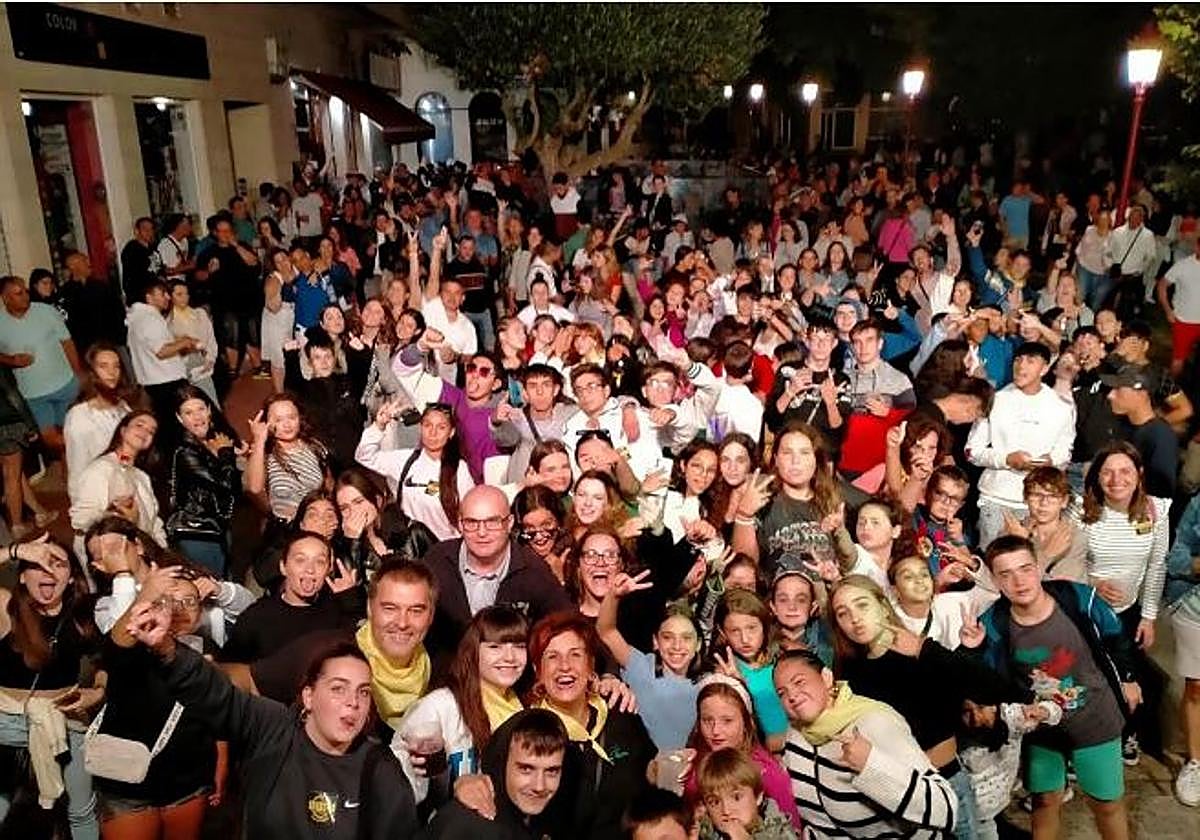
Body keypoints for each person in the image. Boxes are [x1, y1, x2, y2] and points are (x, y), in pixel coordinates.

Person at [124, 605, 420, 840]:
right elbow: (218, 697)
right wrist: (167, 650)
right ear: (308, 696)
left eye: (363, 692)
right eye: (338, 688)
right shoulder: (274, 730)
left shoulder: (380, 770)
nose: (353, 702)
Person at [964, 536, 1141, 840]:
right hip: (1041, 731)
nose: (1019, 581)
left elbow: (1116, 636)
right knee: (1044, 801)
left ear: (1039, 567)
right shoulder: (993, 624)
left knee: (1107, 803)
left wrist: (1127, 677)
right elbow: (983, 682)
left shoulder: (1077, 598)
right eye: (1005, 574)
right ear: (994, 580)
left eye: (1025, 569)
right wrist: (972, 650)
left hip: (1095, 721)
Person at [828, 575, 1017, 839]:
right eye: (842, 613)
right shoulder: (851, 672)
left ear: (883, 606)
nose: (855, 618)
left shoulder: (920, 653)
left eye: (862, 605)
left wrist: (924, 649)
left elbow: (995, 689)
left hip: (949, 781)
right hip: (899, 791)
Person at [773, 649, 958, 838]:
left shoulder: (874, 722)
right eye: (782, 692)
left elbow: (945, 808)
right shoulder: (795, 736)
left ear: (827, 678)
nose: (792, 696)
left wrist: (871, 765)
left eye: (799, 682)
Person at [0, 536, 100, 840]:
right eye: (37, 564)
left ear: (71, 577)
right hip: (7, 720)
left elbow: (106, 665)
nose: (47, 571)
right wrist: (15, 551)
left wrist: (97, 691)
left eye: (57, 563)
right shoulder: (7, 609)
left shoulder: (84, 616)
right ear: (22, 576)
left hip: (66, 719)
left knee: (82, 810)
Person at [393, 605, 527, 806]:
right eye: (495, 647)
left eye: (519, 646)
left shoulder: (523, 708)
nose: (510, 657)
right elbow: (394, 785)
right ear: (473, 652)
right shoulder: (439, 706)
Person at [419, 486, 573, 661]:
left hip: (511, 681)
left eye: (492, 522)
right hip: (448, 680)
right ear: (460, 525)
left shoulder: (533, 571)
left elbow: (570, 624)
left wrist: (608, 673)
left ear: (509, 524)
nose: (482, 532)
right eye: (472, 522)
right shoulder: (437, 561)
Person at [219, 532, 364, 700]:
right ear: (283, 566)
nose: (310, 569)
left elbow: (359, 650)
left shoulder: (339, 607)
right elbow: (229, 672)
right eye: (300, 560)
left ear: (329, 569)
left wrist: (351, 601)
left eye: (320, 561)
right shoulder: (257, 616)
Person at [967, 342, 1075, 549]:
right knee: (993, 561)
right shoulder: (995, 400)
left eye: (1030, 361)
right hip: (996, 499)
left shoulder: (1061, 407)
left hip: (1039, 503)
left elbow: (1065, 451)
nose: (1021, 366)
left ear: (1044, 368)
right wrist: (1006, 459)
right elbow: (972, 451)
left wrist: (1051, 461)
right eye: (1018, 359)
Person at [421, 709, 573, 840]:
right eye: (526, 769)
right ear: (501, 763)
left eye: (552, 771)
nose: (540, 786)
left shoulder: (559, 817)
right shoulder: (465, 826)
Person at [356, 402, 473, 541]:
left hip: (445, 549)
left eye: (441, 427)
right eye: (427, 425)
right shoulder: (405, 460)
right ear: (420, 427)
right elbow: (364, 456)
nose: (433, 433)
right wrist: (379, 426)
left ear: (451, 432)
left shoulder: (460, 470)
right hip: (410, 549)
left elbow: (470, 515)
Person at [0, 275, 83, 454]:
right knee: (51, 439)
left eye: (25, 291)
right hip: (33, 394)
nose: (25, 296)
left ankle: (69, 472)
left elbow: (67, 342)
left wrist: (78, 375)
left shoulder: (46, 311)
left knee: (68, 431)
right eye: (18, 294)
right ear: (5, 298)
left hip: (65, 384)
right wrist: (11, 360)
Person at [168, 385, 243, 575]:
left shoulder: (213, 443)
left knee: (224, 584)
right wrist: (226, 454)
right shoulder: (185, 452)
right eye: (188, 412)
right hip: (197, 534)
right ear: (179, 418)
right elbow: (226, 485)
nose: (197, 417)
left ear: (209, 410)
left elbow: (235, 489)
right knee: (212, 587)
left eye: (201, 409)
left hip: (217, 528)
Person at [1163, 493, 1200, 807]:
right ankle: (1196, 762)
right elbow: (1174, 559)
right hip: (1194, 606)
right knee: (1197, 687)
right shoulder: (1198, 503)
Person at [244, 392, 330, 523]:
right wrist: (259, 440)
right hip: (285, 529)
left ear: (300, 418)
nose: (287, 424)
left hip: (316, 525)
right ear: (267, 423)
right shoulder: (264, 454)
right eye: (278, 420)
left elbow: (328, 485)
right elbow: (254, 488)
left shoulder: (315, 447)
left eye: (291, 417)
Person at [1102, 366, 1178, 498]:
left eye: (1118, 389)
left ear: (1141, 394)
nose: (1110, 395)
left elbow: (1160, 493)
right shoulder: (1119, 424)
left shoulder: (1160, 437)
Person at [126, 280, 196, 422]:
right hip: (167, 381)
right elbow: (161, 351)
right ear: (149, 298)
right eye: (162, 294)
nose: (168, 297)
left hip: (153, 381)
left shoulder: (137, 318)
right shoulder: (150, 318)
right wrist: (186, 341)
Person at [695, 748, 799, 840]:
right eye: (715, 802)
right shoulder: (706, 832)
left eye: (736, 798)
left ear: (758, 796)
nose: (726, 810)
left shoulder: (780, 832)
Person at [166, 279, 220, 404]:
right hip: (186, 369)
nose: (184, 298)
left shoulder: (200, 313)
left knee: (212, 402)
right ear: (169, 296)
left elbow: (211, 338)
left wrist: (211, 358)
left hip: (205, 364)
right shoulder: (169, 324)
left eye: (186, 294)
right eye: (179, 294)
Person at [1157, 235, 1200, 377]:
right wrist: (1168, 310)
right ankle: (1170, 390)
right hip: (1184, 321)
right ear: (1197, 247)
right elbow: (1162, 285)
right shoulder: (1183, 265)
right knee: (1178, 360)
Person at [120, 216, 163, 305]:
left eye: (151, 229)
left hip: (156, 294)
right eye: (145, 229)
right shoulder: (131, 249)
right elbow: (136, 276)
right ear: (137, 231)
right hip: (140, 297)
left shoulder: (153, 248)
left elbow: (159, 268)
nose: (148, 232)